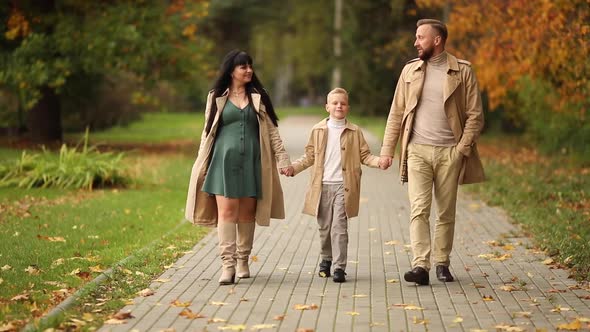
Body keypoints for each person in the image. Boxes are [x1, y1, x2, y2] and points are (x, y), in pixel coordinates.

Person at [379, 19, 485, 285]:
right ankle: (421, 266)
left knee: (446, 212)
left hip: (450, 152)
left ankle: (442, 263)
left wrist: (462, 149)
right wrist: (386, 151)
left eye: (420, 37)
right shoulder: (410, 72)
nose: (416, 43)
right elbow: (396, 113)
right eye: (416, 37)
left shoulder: (462, 71)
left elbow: (475, 116)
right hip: (416, 151)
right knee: (419, 209)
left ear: (437, 40)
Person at [185, 50, 292, 285]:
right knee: (226, 213)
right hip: (224, 162)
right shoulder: (216, 96)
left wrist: (283, 160)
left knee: (246, 214)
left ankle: (243, 260)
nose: (249, 70)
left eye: (250, 66)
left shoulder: (259, 96)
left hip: (253, 162)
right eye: (243, 66)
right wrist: (200, 162)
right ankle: (227, 265)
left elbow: (273, 131)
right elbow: (207, 131)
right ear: (231, 70)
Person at [283, 88, 382, 283]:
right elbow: (309, 156)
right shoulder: (318, 130)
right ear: (327, 107)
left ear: (348, 108)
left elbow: (365, 156)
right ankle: (326, 259)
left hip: (343, 187)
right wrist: (293, 168)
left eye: (343, 103)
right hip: (321, 186)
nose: (339, 106)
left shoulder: (354, 132)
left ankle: (339, 267)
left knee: (339, 227)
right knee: (325, 228)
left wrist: (378, 161)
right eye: (335, 103)